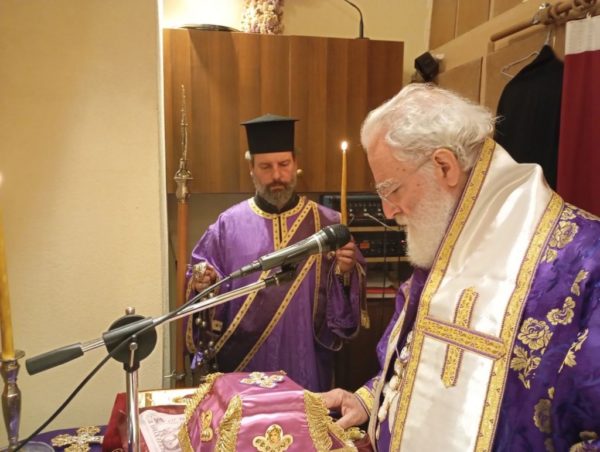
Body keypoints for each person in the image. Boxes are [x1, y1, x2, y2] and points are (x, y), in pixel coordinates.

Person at [322, 83, 600, 451]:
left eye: (392, 189)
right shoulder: (445, 237)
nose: (388, 210)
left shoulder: (584, 262)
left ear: (444, 166)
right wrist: (370, 399)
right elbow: (417, 360)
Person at [184, 113, 367, 392]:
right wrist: (204, 282)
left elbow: (344, 311)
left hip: (306, 359)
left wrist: (345, 272)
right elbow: (202, 284)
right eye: (265, 167)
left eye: (284, 164)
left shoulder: (327, 223)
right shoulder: (227, 226)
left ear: (296, 164)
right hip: (245, 366)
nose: (277, 176)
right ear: (251, 169)